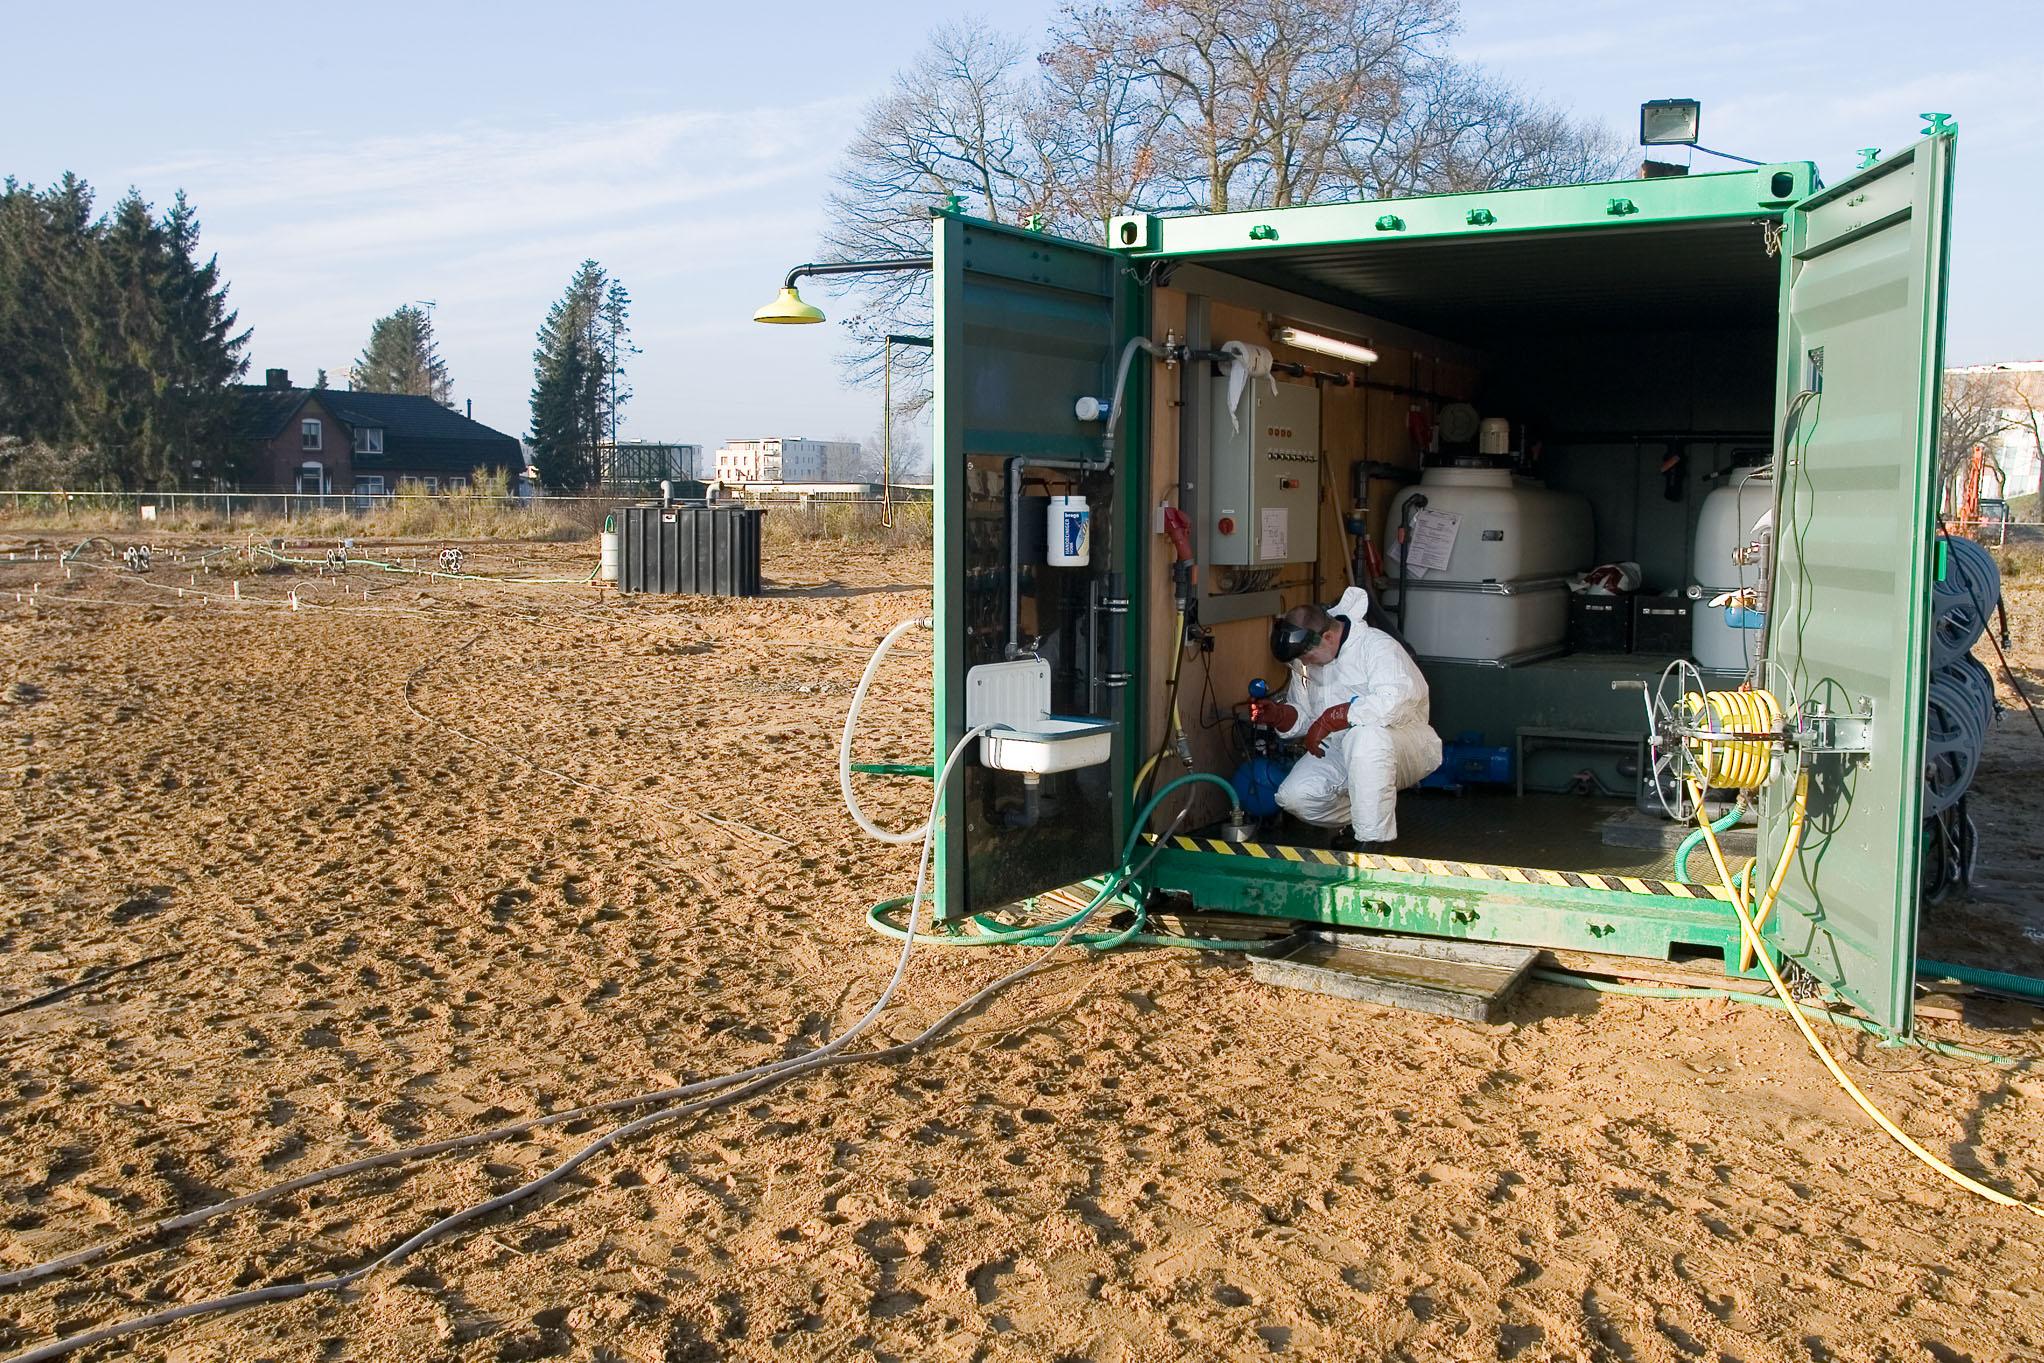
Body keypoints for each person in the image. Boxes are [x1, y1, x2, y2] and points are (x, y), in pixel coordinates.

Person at [1248, 586, 1442, 847]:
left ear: (1327, 637)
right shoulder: (1307, 663)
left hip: (1404, 742)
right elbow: (1304, 715)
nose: (1307, 664)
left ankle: (1372, 844)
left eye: (1307, 656)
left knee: (1365, 737)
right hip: (1341, 747)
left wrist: (1332, 718)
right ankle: (1365, 817)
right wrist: (1279, 715)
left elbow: (1395, 702)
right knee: (1295, 796)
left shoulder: (1376, 646)